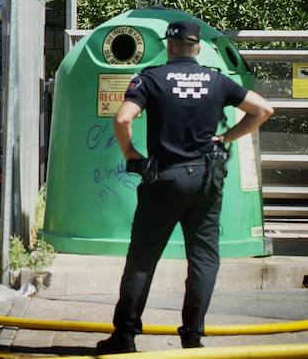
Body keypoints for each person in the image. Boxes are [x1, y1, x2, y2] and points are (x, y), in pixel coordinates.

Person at [97, 20, 274, 353]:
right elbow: (264, 110)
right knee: (204, 259)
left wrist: (132, 154)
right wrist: (226, 138)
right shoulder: (216, 79)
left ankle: (124, 336)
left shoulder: (151, 78)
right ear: (197, 47)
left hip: (164, 179)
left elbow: (122, 119)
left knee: (142, 260)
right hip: (207, 180)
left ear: (170, 46)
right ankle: (192, 337)